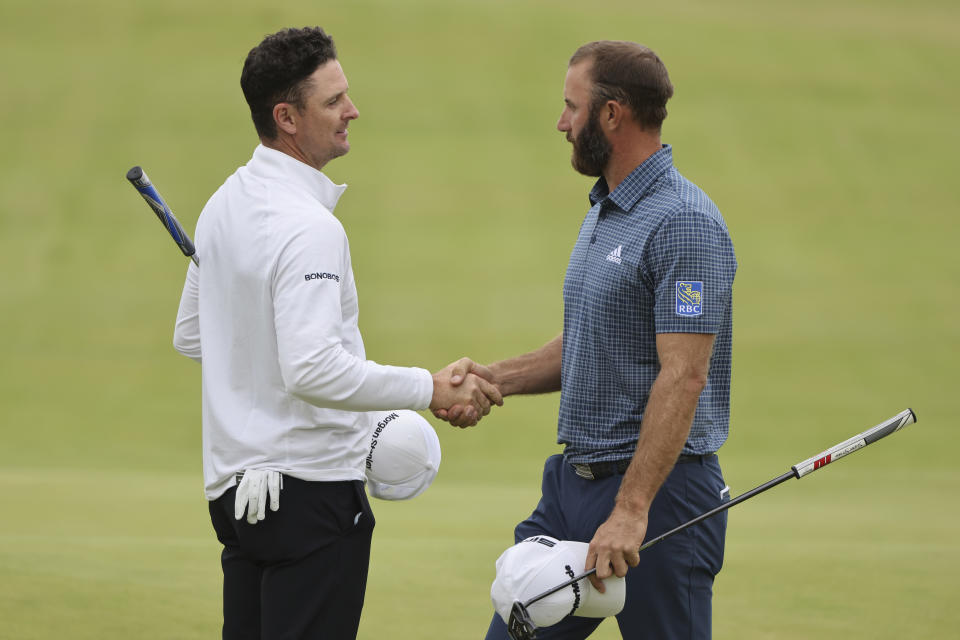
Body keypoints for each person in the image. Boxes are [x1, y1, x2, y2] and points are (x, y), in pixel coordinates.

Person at [172, 26, 501, 640]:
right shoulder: (309, 228)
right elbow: (312, 368)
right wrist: (427, 387)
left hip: (235, 500)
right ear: (286, 118)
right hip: (310, 497)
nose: (352, 111)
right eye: (332, 101)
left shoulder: (222, 205)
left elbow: (195, 336)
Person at [438, 41, 737, 639]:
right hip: (573, 488)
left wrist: (631, 511)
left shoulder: (685, 223)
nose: (561, 123)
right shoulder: (608, 208)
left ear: (611, 114)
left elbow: (683, 373)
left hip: (658, 499)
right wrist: (493, 380)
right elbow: (586, 340)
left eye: (571, 107)